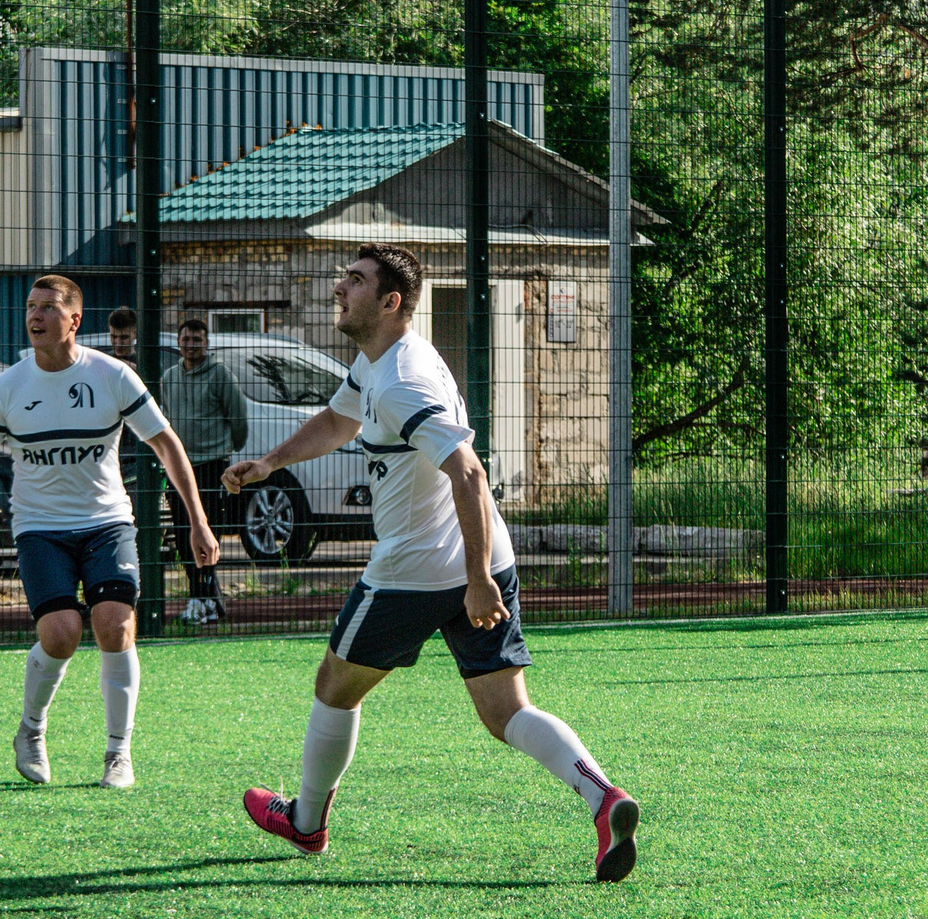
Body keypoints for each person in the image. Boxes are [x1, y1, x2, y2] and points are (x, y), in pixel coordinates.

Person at [223, 244, 641, 881]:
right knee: (507, 713)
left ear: (390, 302)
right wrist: (271, 464)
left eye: (355, 281)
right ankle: (604, 797)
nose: (340, 288)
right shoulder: (381, 363)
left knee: (334, 686)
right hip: (485, 556)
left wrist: (474, 583)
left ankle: (305, 823)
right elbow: (338, 420)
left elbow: (470, 474)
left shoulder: (399, 381)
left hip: (418, 570)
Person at [0, 275, 220, 790]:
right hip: (40, 527)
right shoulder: (9, 385)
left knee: (115, 626)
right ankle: (31, 731)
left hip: (107, 522)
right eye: (30, 307)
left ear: (74, 320)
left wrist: (198, 522)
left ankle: (118, 754)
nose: (35, 316)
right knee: (60, 635)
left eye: (48, 308)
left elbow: (167, 444)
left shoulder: (112, 375)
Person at [159, 315, 246, 626]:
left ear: (206, 344)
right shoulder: (169, 377)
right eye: (185, 340)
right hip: (180, 468)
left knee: (208, 535)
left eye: (197, 340)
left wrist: (225, 451)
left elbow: (238, 419)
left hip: (212, 466)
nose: (191, 346)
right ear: (178, 343)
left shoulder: (220, 375)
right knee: (183, 536)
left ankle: (203, 598)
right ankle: (205, 598)